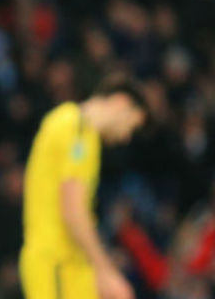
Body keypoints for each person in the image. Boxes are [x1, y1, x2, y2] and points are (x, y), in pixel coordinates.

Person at [20, 74, 149, 299]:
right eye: (132, 125)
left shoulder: (82, 134)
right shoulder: (75, 127)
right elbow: (73, 211)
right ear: (121, 103)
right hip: (56, 262)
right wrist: (106, 271)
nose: (127, 137)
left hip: (72, 265)